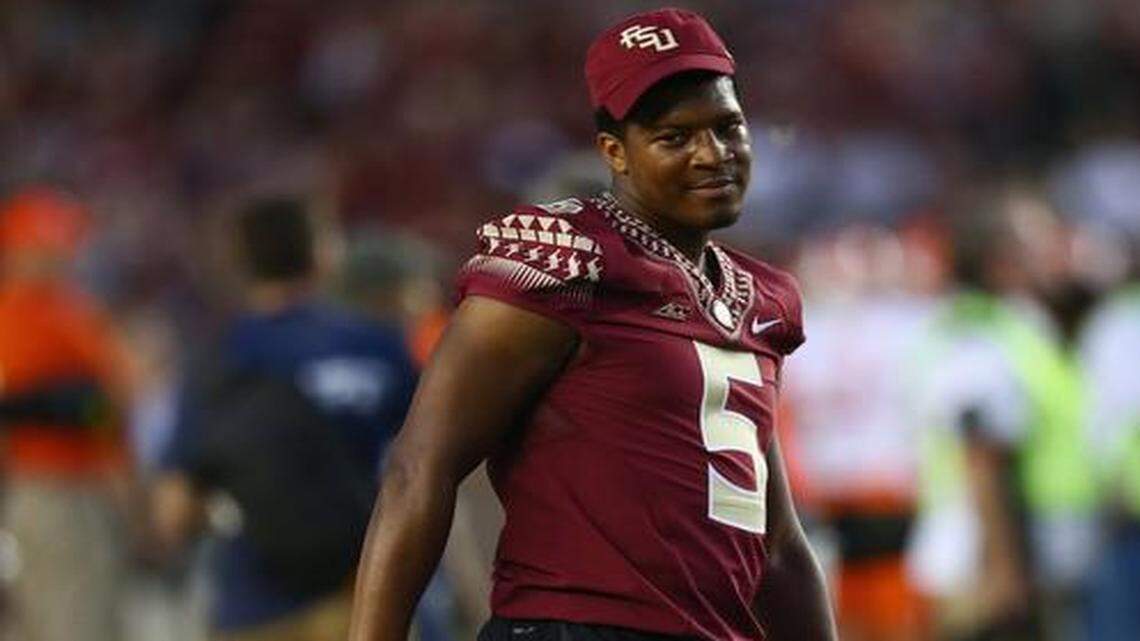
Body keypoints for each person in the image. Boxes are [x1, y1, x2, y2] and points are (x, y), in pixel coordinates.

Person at [349, 9, 838, 641]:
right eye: (674, 136)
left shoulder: (761, 299)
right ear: (615, 151)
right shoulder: (561, 259)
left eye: (728, 127)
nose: (713, 155)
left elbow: (777, 547)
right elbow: (421, 468)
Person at [152, 197, 417, 641]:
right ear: (323, 252)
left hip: (252, 604)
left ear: (239, 265)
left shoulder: (218, 358)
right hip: (361, 596)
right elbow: (429, 465)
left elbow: (174, 510)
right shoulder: (376, 344)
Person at [0, 185, 134, 641]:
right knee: (72, 623)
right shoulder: (17, 315)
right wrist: (95, 408)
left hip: (85, 484)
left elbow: (107, 405)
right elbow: (25, 406)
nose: (61, 253)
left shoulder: (67, 307)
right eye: (47, 242)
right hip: (52, 487)